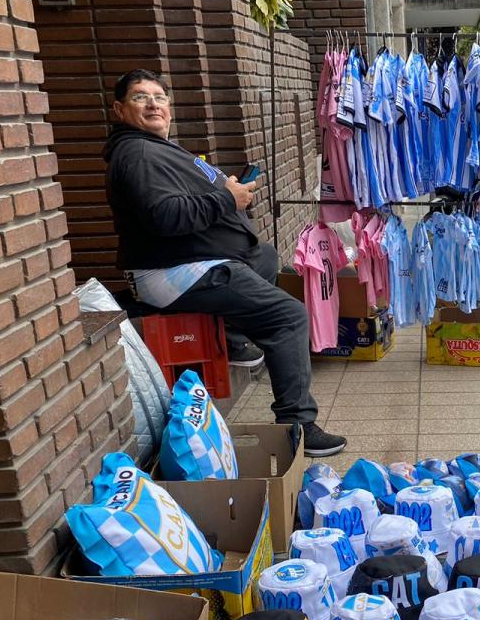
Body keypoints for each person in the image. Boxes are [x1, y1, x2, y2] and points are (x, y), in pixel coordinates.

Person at [103, 69, 347, 457]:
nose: (153, 104)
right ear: (119, 109)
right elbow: (164, 217)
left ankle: (234, 340)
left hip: (195, 261)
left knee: (264, 255)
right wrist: (226, 199)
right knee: (289, 316)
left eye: (160, 97)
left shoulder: (153, 149)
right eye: (140, 98)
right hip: (177, 271)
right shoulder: (138, 154)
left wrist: (224, 189)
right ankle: (297, 424)